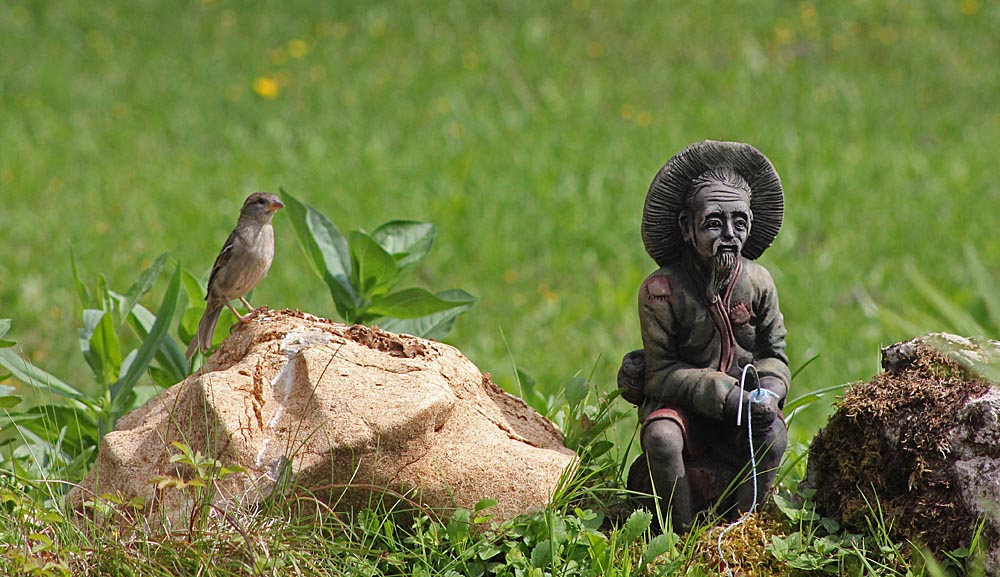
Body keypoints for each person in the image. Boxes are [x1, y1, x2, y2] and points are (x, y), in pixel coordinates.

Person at [618, 140, 790, 532]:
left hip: (747, 405)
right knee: (661, 439)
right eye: (714, 222)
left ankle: (742, 532)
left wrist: (768, 392)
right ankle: (675, 537)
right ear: (686, 227)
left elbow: (775, 354)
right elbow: (660, 374)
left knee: (774, 437)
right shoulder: (661, 290)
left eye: (739, 222)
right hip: (683, 406)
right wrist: (724, 395)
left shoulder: (759, 284)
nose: (729, 234)